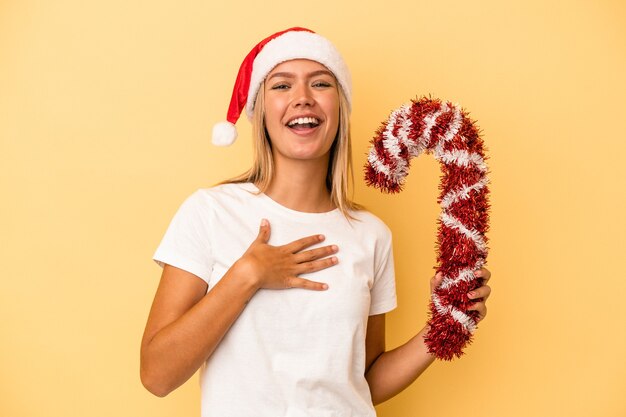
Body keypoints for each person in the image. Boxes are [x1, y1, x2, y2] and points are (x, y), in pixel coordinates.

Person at [140, 27, 491, 416]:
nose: (302, 98)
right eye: (281, 86)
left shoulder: (370, 235)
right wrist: (247, 275)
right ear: (260, 111)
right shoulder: (210, 212)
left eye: (320, 83)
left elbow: (363, 381)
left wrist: (443, 324)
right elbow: (157, 375)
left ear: (339, 107)